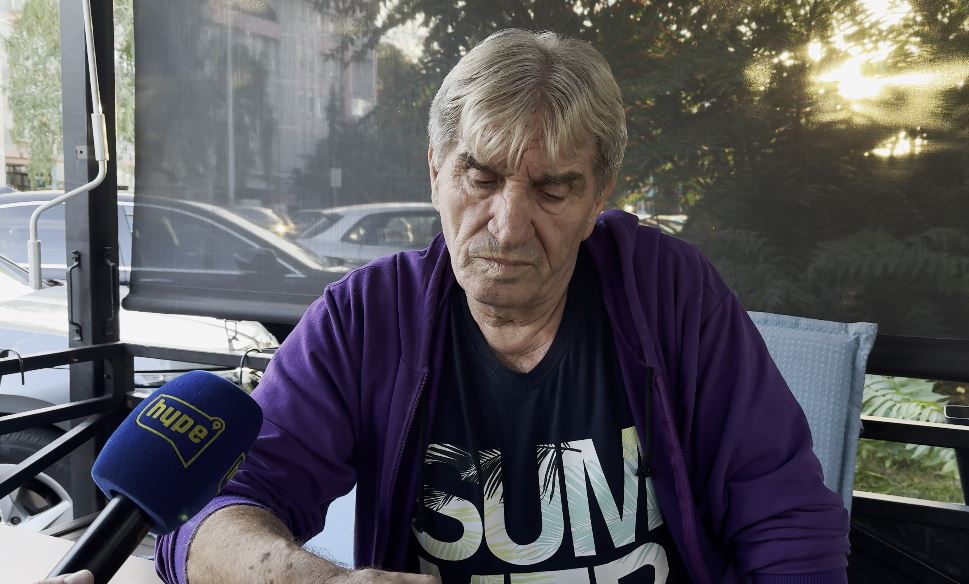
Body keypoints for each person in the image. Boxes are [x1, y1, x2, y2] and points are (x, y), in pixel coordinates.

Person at [156, 29, 849, 584]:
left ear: (598, 196)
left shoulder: (670, 292)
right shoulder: (365, 319)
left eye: (552, 190)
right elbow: (211, 514)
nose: (509, 227)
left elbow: (784, 514)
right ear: (436, 171)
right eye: (480, 177)